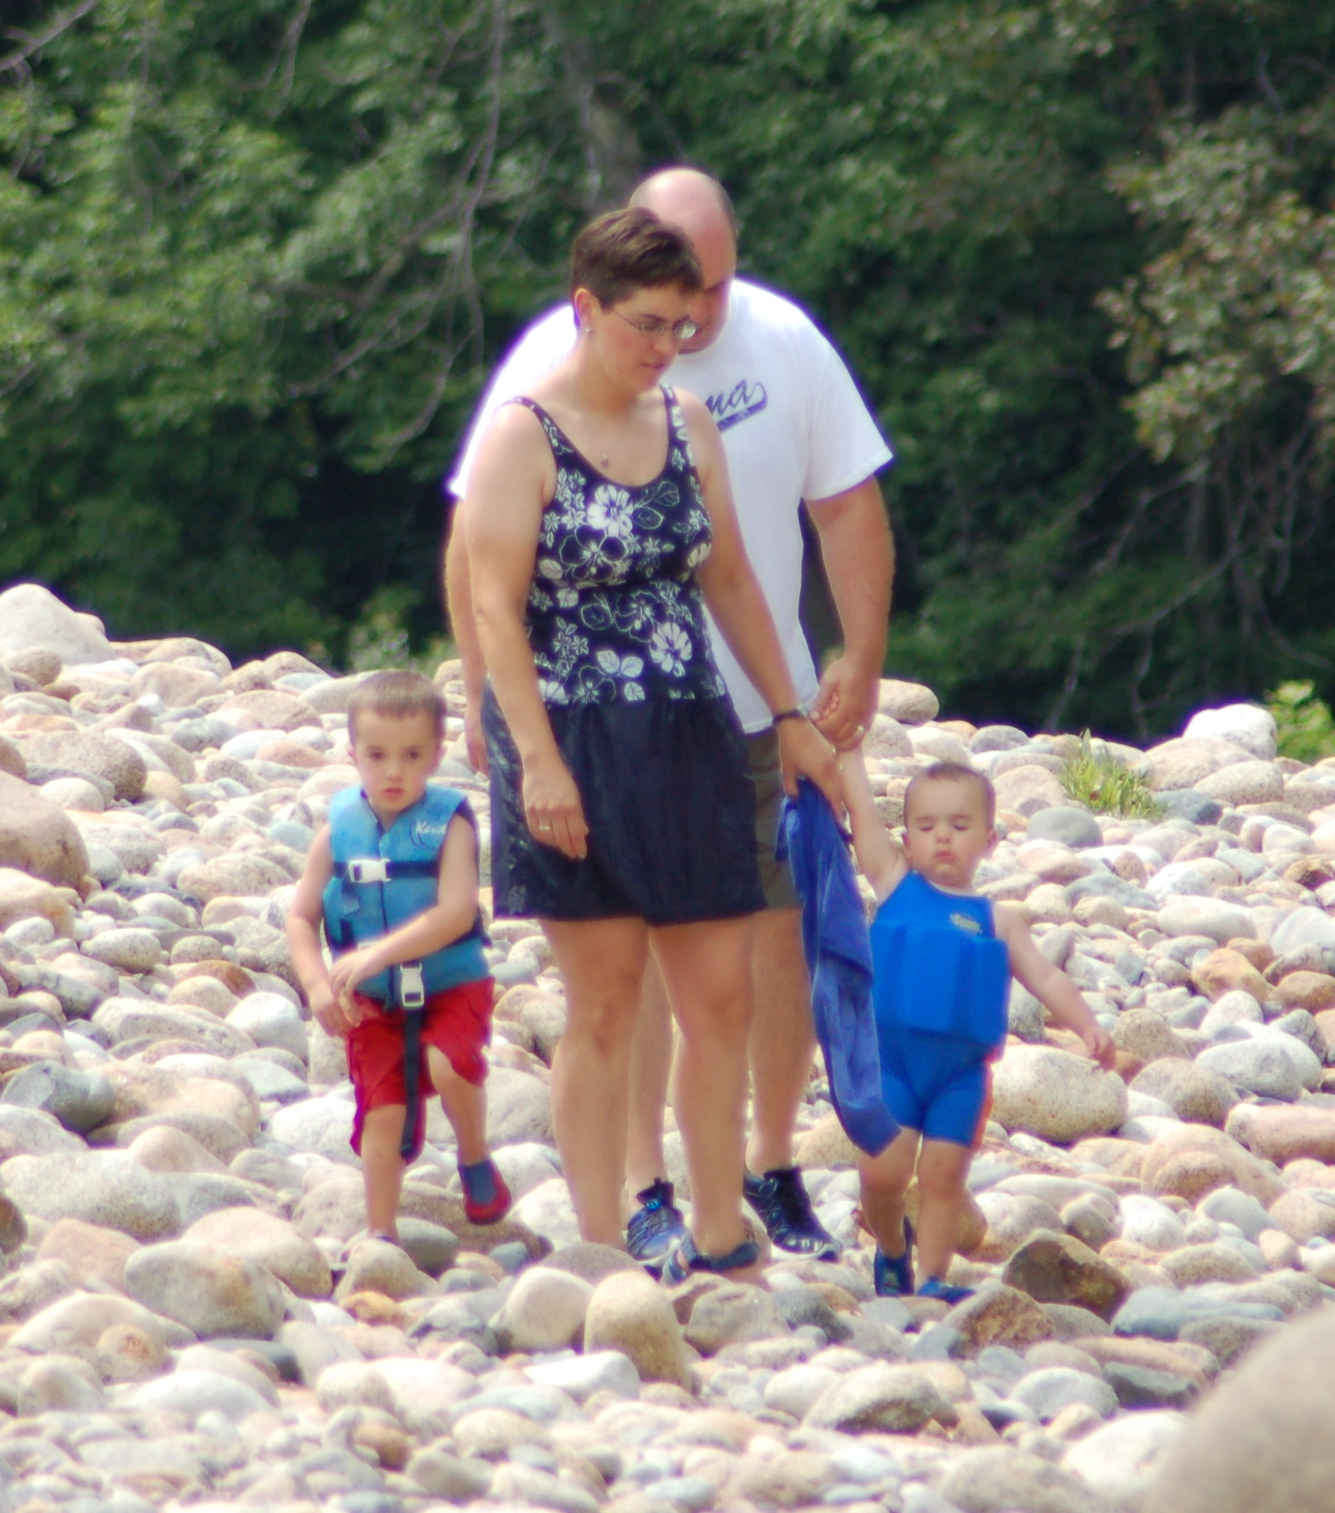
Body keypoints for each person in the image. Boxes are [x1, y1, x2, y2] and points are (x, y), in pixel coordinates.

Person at [444, 167, 892, 1271]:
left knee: (720, 992)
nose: (667, 344)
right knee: (604, 1001)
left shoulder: (687, 422)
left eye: (681, 324)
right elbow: (492, 603)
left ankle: (724, 1226)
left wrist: (787, 709)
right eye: (645, 324)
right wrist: (533, 759)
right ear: (586, 308)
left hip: (692, 725)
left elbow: (730, 577)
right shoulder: (522, 433)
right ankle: (605, 1237)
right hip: (575, 738)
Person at [843, 756, 1112, 1299]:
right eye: (927, 826)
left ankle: (932, 1278)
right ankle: (891, 1244)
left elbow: (1045, 976)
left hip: (961, 1075)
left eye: (959, 825)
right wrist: (848, 754)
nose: (942, 837)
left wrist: (1086, 1025)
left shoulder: (999, 921)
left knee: (943, 1177)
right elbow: (864, 815)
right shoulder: (895, 884)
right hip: (892, 1062)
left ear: (989, 841)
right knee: (882, 1176)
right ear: (907, 840)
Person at [286, 670, 513, 1239]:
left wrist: (380, 954)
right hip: (374, 1003)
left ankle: (473, 1156)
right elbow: (301, 917)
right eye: (377, 755)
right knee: (382, 1114)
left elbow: (456, 911)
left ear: (436, 755)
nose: (394, 771)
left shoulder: (451, 826)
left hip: (450, 987)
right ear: (353, 754)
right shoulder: (338, 832)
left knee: (447, 1063)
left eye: (412, 755)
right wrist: (316, 986)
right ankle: (380, 1236)